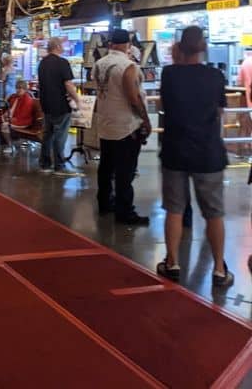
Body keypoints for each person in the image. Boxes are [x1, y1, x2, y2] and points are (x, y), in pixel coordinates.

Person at [157, 26, 234, 288]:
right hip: (208, 152)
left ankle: (172, 262)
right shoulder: (215, 76)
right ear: (203, 47)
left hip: (175, 150)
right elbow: (220, 112)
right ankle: (220, 269)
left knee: (175, 210)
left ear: (179, 48)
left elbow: (165, 107)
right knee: (214, 213)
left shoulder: (169, 75)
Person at [93, 29, 150, 225]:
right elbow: (133, 97)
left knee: (106, 167)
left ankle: (104, 202)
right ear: (128, 44)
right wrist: (146, 120)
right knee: (125, 171)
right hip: (125, 126)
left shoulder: (99, 64)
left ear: (110, 44)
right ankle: (124, 211)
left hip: (105, 124)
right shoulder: (127, 66)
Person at [37, 37, 80, 174]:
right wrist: (77, 99)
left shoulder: (42, 63)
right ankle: (59, 166)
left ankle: (45, 164)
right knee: (60, 135)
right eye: (62, 45)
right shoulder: (62, 63)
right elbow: (68, 84)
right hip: (60, 104)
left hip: (46, 103)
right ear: (57, 46)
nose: (63, 47)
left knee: (48, 134)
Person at [0, 80, 38, 149]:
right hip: (15, 119)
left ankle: (10, 146)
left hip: (23, 121)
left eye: (21, 88)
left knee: (5, 126)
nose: (19, 90)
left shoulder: (27, 99)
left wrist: (9, 120)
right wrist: (6, 114)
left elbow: (23, 116)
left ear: (25, 89)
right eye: (17, 88)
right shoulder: (14, 97)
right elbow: (9, 108)